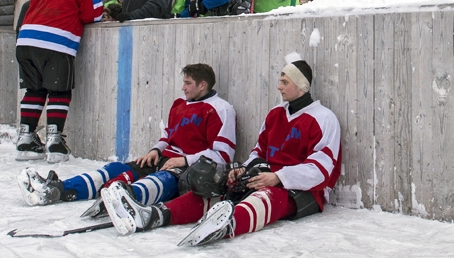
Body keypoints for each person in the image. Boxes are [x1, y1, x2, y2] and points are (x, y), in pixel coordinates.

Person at [100, 53, 341, 247]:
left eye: (284, 82)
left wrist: (278, 177)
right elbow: (259, 151)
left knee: (266, 196)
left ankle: (226, 224)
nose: (278, 86)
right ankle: (154, 215)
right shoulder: (275, 114)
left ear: (301, 86)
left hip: (302, 191)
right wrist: (244, 170)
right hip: (267, 175)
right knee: (215, 187)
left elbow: (321, 170)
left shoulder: (323, 118)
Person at [17, 63, 236, 212]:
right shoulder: (179, 104)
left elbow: (223, 154)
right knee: (115, 170)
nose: (183, 87)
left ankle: (124, 202)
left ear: (202, 85)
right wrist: (155, 150)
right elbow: (168, 135)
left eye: (188, 83)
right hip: (164, 158)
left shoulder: (220, 109)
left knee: (159, 181)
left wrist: (185, 160)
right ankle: (58, 189)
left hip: (187, 169)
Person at [14, 0, 102, 162]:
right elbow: (93, 13)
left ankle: (26, 139)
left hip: (26, 39)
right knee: (59, 91)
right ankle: (55, 143)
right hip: (57, 40)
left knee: (34, 89)